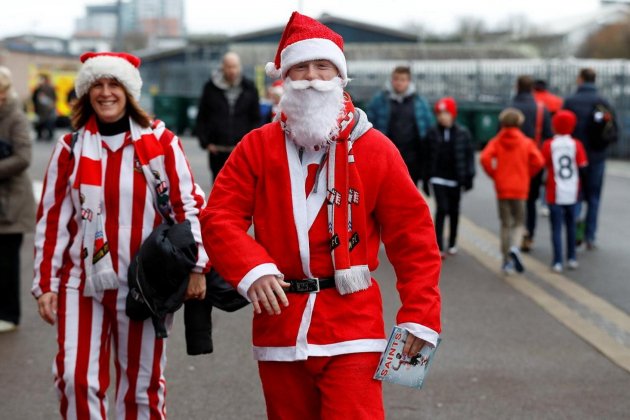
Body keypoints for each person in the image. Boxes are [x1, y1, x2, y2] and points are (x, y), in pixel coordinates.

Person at [200, 12, 441, 420]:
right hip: (280, 323)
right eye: (300, 68)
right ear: (285, 78)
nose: (311, 78)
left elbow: (412, 235)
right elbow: (219, 216)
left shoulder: (376, 149)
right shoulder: (256, 146)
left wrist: (420, 313)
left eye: (322, 67)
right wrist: (253, 269)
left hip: (353, 324)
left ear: (340, 76)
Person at [32, 52, 209, 419]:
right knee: (75, 379)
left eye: (114, 84)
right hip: (81, 283)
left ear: (129, 91)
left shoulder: (160, 142)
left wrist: (198, 266)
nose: (106, 92)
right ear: (86, 92)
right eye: (97, 84)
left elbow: (187, 206)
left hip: (144, 284)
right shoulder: (70, 148)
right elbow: (52, 219)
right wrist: (45, 282)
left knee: (142, 387)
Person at [480, 108, 544, 274]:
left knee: (505, 224)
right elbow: (538, 161)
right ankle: (515, 247)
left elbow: (485, 158)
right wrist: (527, 174)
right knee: (519, 222)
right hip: (520, 187)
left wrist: (494, 174)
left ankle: (505, 260)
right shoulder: (526, 142)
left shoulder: (496, 141)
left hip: (502, 187)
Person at [563, 68, 618, 249]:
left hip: (574, 155)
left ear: (580, 79)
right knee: (594, 197)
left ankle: (574, 228)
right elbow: (613, 130)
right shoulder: (604, 102)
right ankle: (590, 236)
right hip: (597, 156)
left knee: (575, 195)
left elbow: (561, 126)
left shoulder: (570, 101)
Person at [0, 66, 36, 333]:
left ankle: (9, 315)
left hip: (10, 202)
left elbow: (23, 158)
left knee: (7, 264)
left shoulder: (16, 117)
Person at [422, 97, 475, 258]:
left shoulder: (463, 134)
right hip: (438, 178)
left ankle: (452, 242)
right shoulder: (431, 132)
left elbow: (469, 157)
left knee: (454, 210)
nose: (442, 117)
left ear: (453, 114)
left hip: (456, 179)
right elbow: (425, 157)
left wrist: (469, 177)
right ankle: (439, 244)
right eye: (439, 113)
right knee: (442, 209)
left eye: (446, 113)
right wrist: (425, 179)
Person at [195, 51, 260, 180]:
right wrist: (206, 142)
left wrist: (250, 144)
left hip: (241, 150)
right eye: (229, 67)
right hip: (217, 150)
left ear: (239, 67)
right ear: (223, 67)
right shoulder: (210, 87)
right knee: (219, 186)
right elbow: (202, 116)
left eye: (235, 66)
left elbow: (255, 118)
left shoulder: (249, 88)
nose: (232, 70)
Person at [367, 65, 434, 185]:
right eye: (396, 79)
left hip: (413, 157)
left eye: (402, 80)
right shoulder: (379, 101)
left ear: (408, 81)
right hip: (387, 155)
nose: (399, 83)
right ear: (392, 80)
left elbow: (428, 128)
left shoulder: (419, 102)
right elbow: (369, 123)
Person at [509, 75, 553, 252]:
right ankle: (529, 235)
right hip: (534, 161)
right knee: (532, 200)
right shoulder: (541, 108)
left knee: (514, 200)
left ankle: (516, 234)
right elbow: (549, 135)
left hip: (513, 163)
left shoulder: (511, 108)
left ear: (517, 86)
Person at [541, 110, 588, 273]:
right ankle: (572, 257)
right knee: (571, 226)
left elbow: (543, 164)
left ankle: (557, 260)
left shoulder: (548, 144)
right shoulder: (577, 145)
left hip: (554, 192)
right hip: (573, 191)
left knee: (556, 228)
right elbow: (583, 167)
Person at [32, 73, 57, 141]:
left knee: (47, 122)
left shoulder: (44, 88)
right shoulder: (39, 88)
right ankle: (44, 135)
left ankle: (46, 135)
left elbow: (54, 98)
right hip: (42, 110)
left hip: (46, 110)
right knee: (43, 123)